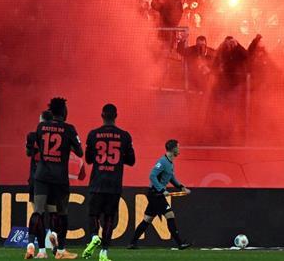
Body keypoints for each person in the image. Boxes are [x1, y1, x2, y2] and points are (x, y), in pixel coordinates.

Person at [27, 97, 82, 259]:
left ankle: (32, 245)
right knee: (61, 212)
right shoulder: (69, 129)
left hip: (41, 176)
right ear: (64, 112)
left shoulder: (41, 127)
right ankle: (60, 249)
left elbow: (34, 150)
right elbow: (79, 152)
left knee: (38, 211)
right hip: (59, 178)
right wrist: (68, 145)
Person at [81, 104, 135, 261]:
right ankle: (104, 252)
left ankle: (93, 237)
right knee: (109, 218)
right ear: (116, 115)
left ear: (101, 115)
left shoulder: (93, 134)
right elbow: (131, 161)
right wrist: (119, 157)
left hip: (97, 182)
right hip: (114, 184)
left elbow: (89, 160)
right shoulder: (124, 136)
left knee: (93, 214)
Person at [127, 139, 191, 250]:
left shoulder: (170, 163)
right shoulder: (162, 162)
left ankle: (132, 243)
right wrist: (162, 190)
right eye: (178, 147)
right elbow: (152, 176)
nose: (179, 149)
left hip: (156, 194)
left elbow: (170, 177)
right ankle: (180, 243)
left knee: (147, 219)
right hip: (155, 194)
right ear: (173, 149)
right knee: (170, 215)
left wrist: (181, 187)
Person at [25, 110, 57, 258]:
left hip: (36, 179)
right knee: (52, 212)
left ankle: (40, 249)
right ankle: (53, 233)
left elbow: (28, 153)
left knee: (38, 213)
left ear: (41, 120)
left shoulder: (33, 136)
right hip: (52, 178)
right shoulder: (57, 138)